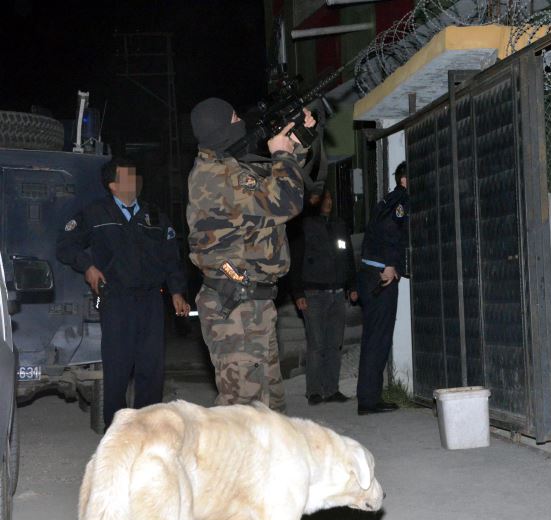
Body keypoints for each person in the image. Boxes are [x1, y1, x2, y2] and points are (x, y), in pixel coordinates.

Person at [186, 97, 314, 413]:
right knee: (241, 413)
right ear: (220, 128)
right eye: (234, 117)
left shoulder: (229, 168)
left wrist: (296, 145)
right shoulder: (217, 176)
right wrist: (282, 153)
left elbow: (274, 184)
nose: (240, 121)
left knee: (270, 410)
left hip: (252, 303)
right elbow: (286, 201)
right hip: (236, 309)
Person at [56, 157, 190, 430]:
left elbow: (170, 257)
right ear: (113, 185)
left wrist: (177, 291)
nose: (135, 182)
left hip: (151, 300)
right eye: (127, 177)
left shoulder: (153, 215)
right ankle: (117, 432)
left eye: (135, 176)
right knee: (117, 367)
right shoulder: (95, 213)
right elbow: (65, 245)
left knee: (151, 368)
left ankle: (147, 429)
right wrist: (88, 267)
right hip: (116, 299)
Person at [289, 190, 358, 405]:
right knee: (317, 344)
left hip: (337, 294)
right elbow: (295, 259)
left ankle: (331, 389)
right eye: (324, 199)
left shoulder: (339, 225)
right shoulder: (305, 225)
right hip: (313, 295)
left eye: (330, 198)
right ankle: (314, 391)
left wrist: (352, 285)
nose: (328, 202)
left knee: (334, 344)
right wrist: (298, 293)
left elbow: (347, 256)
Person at [356, 161, 409, 415]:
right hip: (380, 276)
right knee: (378, 338)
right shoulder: (400, 200)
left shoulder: (390, 199)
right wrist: (389, 264)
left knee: (374, 337)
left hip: (372, 274)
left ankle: (369, 397)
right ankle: (369, 400)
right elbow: (390, 230)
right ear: (405, 180)